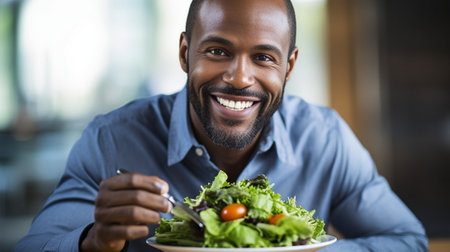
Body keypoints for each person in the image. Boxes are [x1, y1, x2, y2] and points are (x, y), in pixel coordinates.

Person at [15, 0, 428, 251]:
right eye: (217, 50)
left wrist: (298, 251)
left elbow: (408, 242)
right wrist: (93, 242)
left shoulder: (324, 138)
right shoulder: (112, 141)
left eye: (264, 58)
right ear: (184, 53)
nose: (239, 78)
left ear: (290, 66)